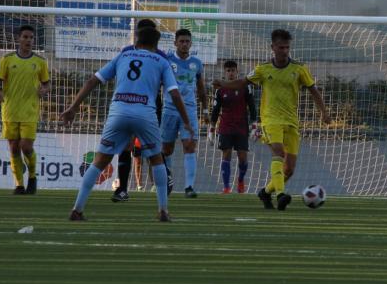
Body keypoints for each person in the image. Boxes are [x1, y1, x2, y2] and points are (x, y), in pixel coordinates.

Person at [61, 19, 193, 222]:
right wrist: (186, 121)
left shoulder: (123, 55)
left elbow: (92, 81)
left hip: (118, 112)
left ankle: (77, 209)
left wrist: (73, 107)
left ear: (137, 41)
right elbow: (175, 95)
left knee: (99, 161)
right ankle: (163, 211)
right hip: (145, 114)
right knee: (156, 159)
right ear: (155, 45)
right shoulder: (161, 61)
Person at [212, 29, 331, 210]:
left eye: (287, 47)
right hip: (270, 120)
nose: (284, 51)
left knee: (289, 169)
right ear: (272, 47)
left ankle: (266, 192)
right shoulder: (262, 69)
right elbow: (242, 82)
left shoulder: (299, 69)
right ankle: (281, 195)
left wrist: (324, 112)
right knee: (278, 152)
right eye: (281, 47)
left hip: (291, 121)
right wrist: (224, 83)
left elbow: (313, 90)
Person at [0, 24, 50, 195]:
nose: (28, 40)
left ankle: (32, 177)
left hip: (30, 111)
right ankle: (19, 185)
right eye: (25, 37)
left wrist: (44, 90)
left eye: (31, 37)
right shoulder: (7, 59)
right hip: (10, 110)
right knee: (14, 148)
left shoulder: (40, 62)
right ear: (18, 38)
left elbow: (47, 84)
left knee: (26, 146)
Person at [161, 28, 209, 198]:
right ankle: (168, 180)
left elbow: (201, 89)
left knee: (189, 146)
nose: (184, 44)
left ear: (191, 43)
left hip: (189, 110)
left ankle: (189, 187)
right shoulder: (166, 60)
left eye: (187, 41)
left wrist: (205, 110)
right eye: (181, 41)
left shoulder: (196, 63)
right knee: (166, 149)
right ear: (175, 43)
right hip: (169, 109)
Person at [208, 60, 257, 194]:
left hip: (241, 126)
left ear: (237, 72)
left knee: (242, 157)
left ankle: (240, 180)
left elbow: (252, 107)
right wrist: (211, 129)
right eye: (228, 71)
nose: (231, 73)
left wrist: (254, 125)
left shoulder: (245, 87)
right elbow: (216, 110)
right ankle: (226, 187)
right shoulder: (220, 89)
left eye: (233, 71)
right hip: (225, 126)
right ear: (225, 73)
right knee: (226, 154)